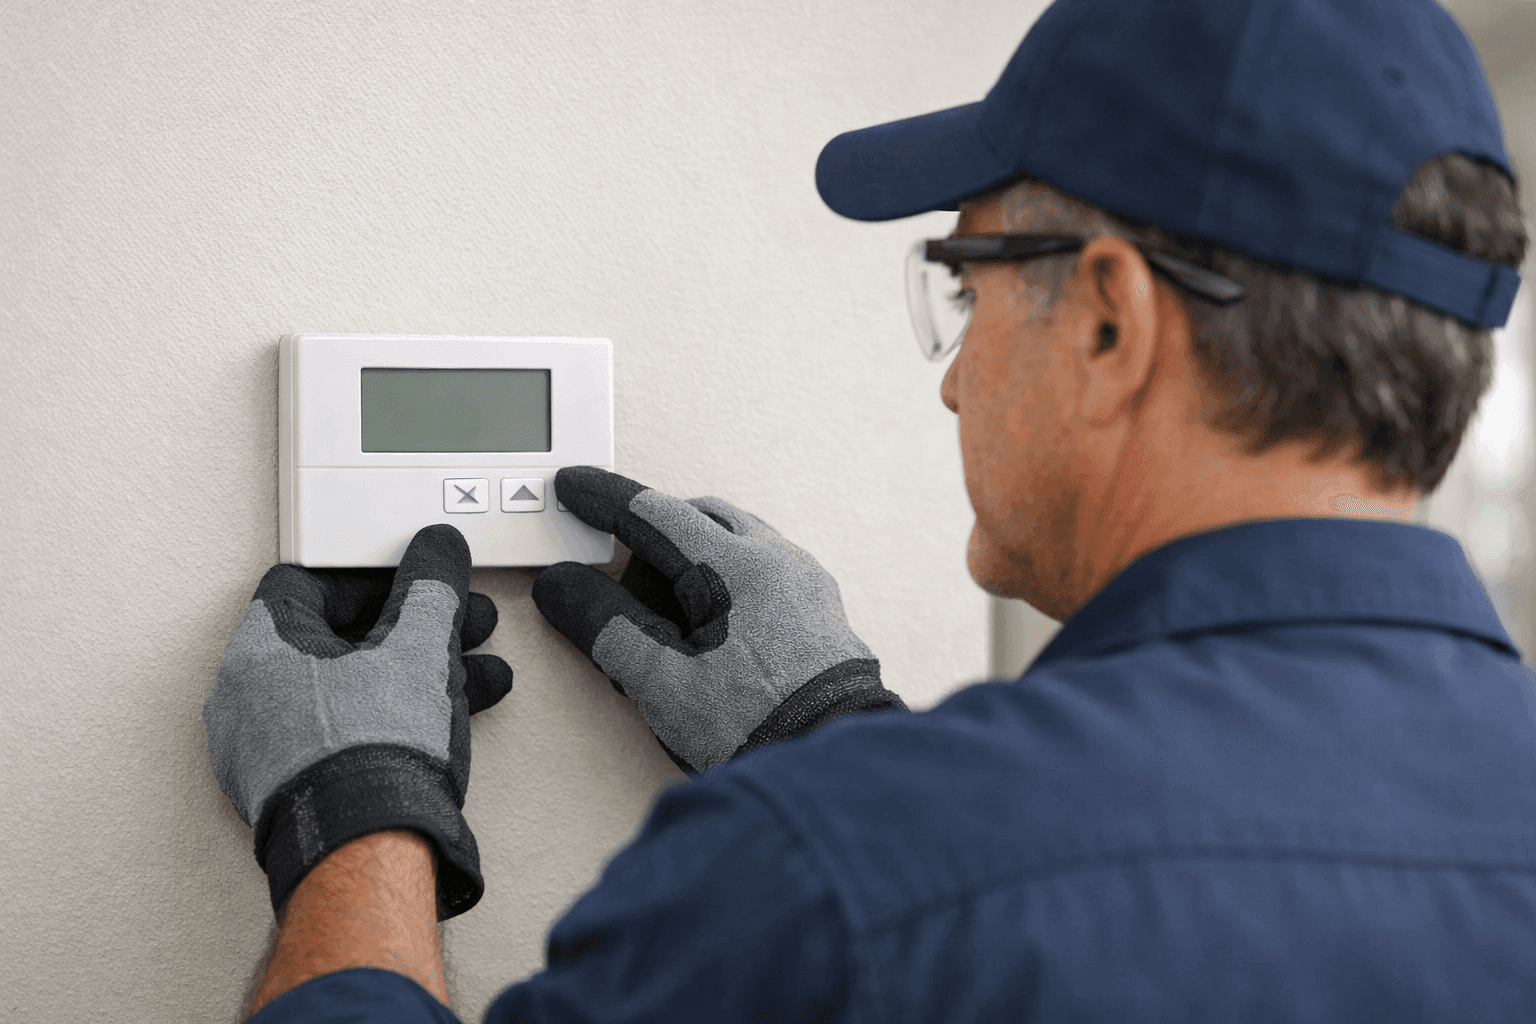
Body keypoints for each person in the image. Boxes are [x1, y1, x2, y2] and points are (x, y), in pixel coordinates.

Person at [204, 0, 1536, 1020]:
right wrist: (832, 740)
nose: (956, 382)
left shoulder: (828, 883)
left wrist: (356, 823)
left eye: (968, 283)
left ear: (1115, 319)